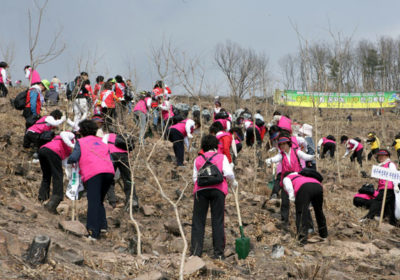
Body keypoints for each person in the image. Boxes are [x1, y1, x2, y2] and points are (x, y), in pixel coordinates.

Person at [190, 135, 237, 259]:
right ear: (216, 146)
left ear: (203, 147)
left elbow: (195, 178)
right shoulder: (222, 157)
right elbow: (228, 173)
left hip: (201, 191)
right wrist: (233, 183)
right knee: (217, 221)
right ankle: (218, 253)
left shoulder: (198, 159)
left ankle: (195, 252)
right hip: (218, 190)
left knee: (198, 221)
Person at [67, 120, 115, 240]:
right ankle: (103, 227)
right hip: (109, 172)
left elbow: (73, 157)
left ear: (82, 131)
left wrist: (68, 160)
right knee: (99, 201)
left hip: (93, 172)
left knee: (93, 201)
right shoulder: (102, 142)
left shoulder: (81, 142)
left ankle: (93, 232)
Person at [265, 135, 315, 229]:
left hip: (297, 178)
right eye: (281, 144)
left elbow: (306, 157)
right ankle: (284, 221)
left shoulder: (296, 151)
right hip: (286, 178)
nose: (283, 146)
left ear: (288, 144)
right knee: (284, 201)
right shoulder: (281, 155)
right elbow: (275, 158)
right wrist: (269, 160)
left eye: (284, 144)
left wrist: (314, 156)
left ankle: (309, 225)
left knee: (302, 201)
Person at [282, 172, 328, 244]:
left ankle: (302, 239)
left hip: (304, 188)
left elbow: (289, 187)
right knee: (319, 210)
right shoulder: (302, 175)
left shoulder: (287, 178)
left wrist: (292, 198)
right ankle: (324, 234)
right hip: (318, 186)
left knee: (301, 212)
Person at [38, 130, 75, 213]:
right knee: (58, 177)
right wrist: (72, 145)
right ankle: (55, 201)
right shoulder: (72, 136)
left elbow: (66, 164)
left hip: (43, 150)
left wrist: (71, 178)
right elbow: (63, 134)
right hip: (53, 151)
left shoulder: (68, 150)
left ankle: (43, 197)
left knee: (47, 175)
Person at [360, 149, 398, 226]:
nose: (380, 157)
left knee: (377, 202)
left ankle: (368, 217)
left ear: (387, 156)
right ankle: (393, 222)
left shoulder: (390, 164)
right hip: (383, 188)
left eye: (382, 156)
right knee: (390, 206)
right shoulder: (381, 166)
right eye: (379, 156)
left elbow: (395, 175)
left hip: (389, 188)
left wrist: (396, 185)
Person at [103, 133, 138, 210]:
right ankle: (133, 200)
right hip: (124, 156)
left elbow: (103, 147)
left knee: (109, 179)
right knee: (128, 179)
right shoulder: (122, 137)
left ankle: (112, 202)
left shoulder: (106, 136)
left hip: (112, 155)